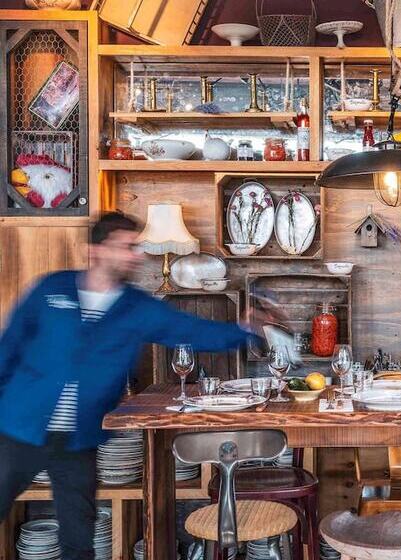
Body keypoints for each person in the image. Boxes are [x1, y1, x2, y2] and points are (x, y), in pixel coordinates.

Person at [0, 212, 253, 560]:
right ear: (96, 250)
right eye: (125, 247)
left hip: (78, 438)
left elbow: (193, 331)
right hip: (19, 426)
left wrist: (245, 331)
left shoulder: (136, 306)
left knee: (78, 539)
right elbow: (10, 346)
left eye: (134, 247)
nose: (134, 255)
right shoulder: (52, 288)